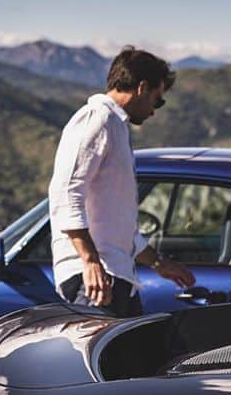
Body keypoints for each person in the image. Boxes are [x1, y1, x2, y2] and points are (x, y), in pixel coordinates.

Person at [48, 47, 195, 316]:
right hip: (94, 281)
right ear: (141, 88)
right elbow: (66, 193)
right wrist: (90, 261)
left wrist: (158, 263)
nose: (154, 111)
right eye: (157, 100)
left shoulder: (115, 125)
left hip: (116, 278)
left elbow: (117, 225)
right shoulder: (97, 119)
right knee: (97, 359)